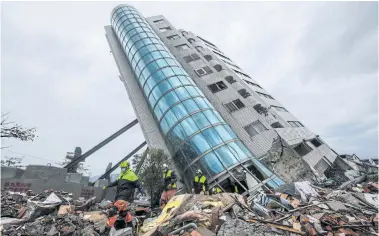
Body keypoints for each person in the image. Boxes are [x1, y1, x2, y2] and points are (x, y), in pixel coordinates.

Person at [103, 160, 146, 229]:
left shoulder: (131, 174)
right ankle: (130, 226)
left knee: (113, 211)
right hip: (120, 195)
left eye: (124, 168)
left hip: (125, 196)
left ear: (127, 167)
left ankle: (108, 228)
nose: (122, 169)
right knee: (123, 213)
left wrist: (141, 190)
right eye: (121, 168)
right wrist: (108, 186)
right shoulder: (121, 174)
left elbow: (137, 184)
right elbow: (116, 182)